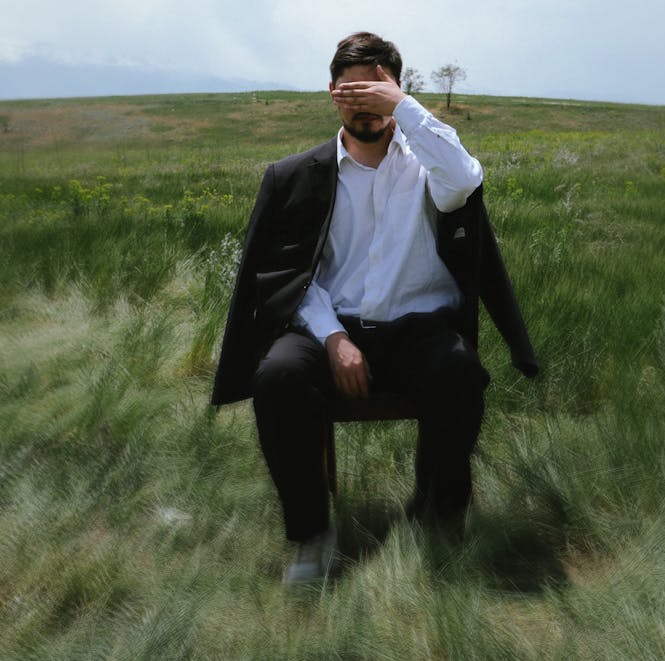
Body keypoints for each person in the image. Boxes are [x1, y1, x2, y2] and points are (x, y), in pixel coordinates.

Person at [211, 32, 537, 585]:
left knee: (459, 371)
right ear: (332, 93)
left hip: (418, 329)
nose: (364, 103)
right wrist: (334, 338)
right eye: (351, 90)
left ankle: (435, 519)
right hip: (329, 326)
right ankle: (311, 535)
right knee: (279, 374)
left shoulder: (431, 167)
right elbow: (290, 276)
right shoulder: (296, 176)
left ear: (396, 91)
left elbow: (465, 179)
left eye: (376, 88)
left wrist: (402, 105)